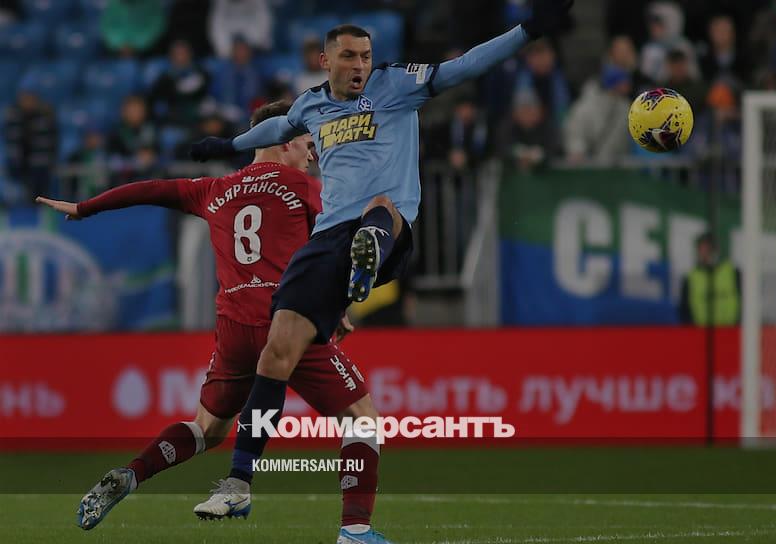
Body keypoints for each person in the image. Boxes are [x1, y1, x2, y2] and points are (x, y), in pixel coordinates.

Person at [187, 3, 573, 542]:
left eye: (366, 56)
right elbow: (279, 125)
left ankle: (367, 256)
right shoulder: (312, 105)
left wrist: (527, 31)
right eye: (349, 56)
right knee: (275, 355)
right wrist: (230, 146)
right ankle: (239, 484)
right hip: (326, 243)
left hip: (387, 230)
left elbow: (465, 66)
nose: (360, 65)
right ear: (325, 61)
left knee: (382, 206)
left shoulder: (397, 85)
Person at [34, 101, 363, 533]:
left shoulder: (213, 189)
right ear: (283, 141)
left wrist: (85, 207)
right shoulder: (303, 185)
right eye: (305, 142)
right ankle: (355, 530)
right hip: (287, 319)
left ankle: (133, 472)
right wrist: (339, 306)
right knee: (361, 420)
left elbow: (150, 189)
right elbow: (334, 247)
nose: (311, 152)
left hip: (233, 328)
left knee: (207, 428)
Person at [679, 232, 740, 326]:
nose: (704, 253)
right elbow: (684, 310)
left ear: (716, 249)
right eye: (701, 249)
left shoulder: (732, 272)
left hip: (731, 330)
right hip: (700, 331)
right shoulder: (690, 278)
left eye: (708, 248)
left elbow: (746, 303)